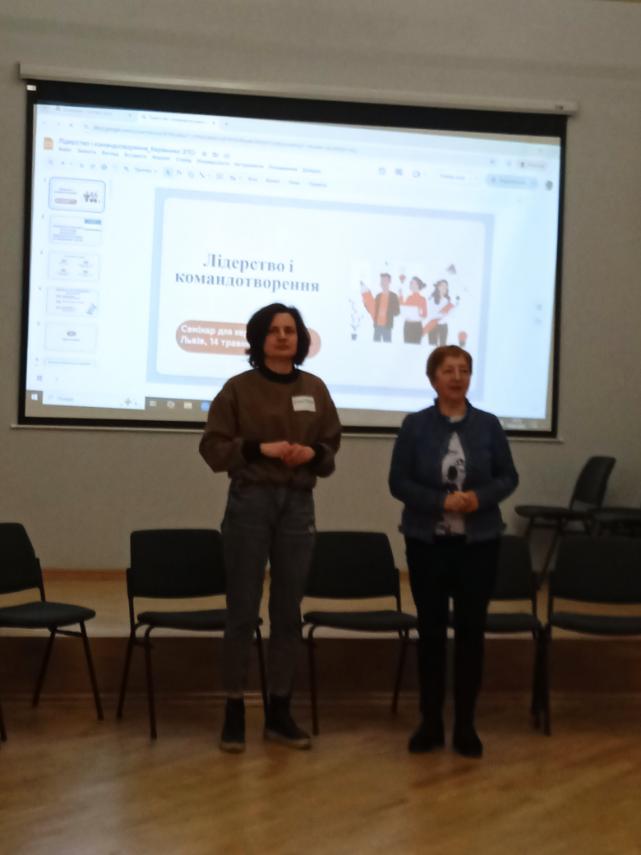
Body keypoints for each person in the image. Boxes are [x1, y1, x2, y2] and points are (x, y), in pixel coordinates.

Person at [200, 303, 341, 753]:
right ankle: (234, 710)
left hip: (298, 504)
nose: (283, 337)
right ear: (258, 339)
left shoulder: (314, 388)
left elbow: (330, 449)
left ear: (300, 339)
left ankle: (279, 712)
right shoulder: (238, 389)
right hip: (251, 502)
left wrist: (313, 454)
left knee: (287, 612)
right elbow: (212, 448)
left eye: (291, 330)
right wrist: (261, 449)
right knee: (242, 610)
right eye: (274, 330)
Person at [388, 345, 518, 758]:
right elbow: (398, 482)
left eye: (464, 370)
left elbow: (508, 477)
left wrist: (478, 498)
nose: (457, 377)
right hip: (427, 543)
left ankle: (465, 725)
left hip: (478, 545)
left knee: (470, 634)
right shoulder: (415, 426)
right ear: (433, 379)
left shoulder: (489, 425)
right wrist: (439, 501)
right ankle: (430, 723)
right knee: (430, 634)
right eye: (448, 370)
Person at [361, 272, 400, 342]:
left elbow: (397, 312)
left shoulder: (394, 296)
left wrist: (386, 310)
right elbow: (372, 310)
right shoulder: (378, 296)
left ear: (389, 282)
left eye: (385, 280)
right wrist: (366, 304)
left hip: (387, 327)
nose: (383, 282)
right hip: (377, 327)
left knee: (387, 346)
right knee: (375, 347)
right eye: (382, 280)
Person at [425, 279, 455, 346]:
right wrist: (441, 314)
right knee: (432, 346)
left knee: (442, 347)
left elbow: (449, 315)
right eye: (442, 286)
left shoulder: (448, 301)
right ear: (438, 287)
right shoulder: (431, 299)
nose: (444, 288)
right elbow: (431, 313)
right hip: (433, 325)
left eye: (446, 286)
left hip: (443, 326)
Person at [399, 275, 428, 344]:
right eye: (411, 283)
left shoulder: (422, 299)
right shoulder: (409, 298)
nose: (412, 285)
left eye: (414, 283)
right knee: (407, 346)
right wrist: (400, 296)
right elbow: (403, 308)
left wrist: (418, 314)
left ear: (418, 285)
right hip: (407, 325)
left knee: (416, 346)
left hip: (417, 326)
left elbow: (425, 315)